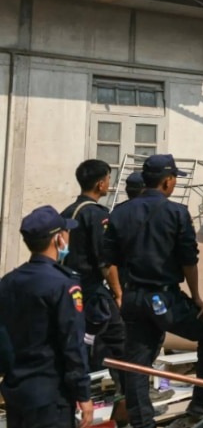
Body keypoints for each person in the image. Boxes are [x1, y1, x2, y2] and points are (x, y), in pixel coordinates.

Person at [103, 154, 203, 428]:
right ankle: (202, 405)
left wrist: (119, 293)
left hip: (133, 298)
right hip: (163, 297)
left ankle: (142, 422)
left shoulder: (119, 213)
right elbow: (189, 260)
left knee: (137, 363)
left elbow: (107, 261)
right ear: (167, 181)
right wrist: (196, 297)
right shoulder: (176, 213)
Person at [0, 206, 94, 428]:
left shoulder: (8, 281)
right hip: (50, 395)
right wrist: (83, 393)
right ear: (58, 238)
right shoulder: (63, 284)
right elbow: (72, 344)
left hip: (17, 390)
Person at [61, 160, 126, 416]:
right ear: (100, 183)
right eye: (108, 178)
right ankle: (125, 397)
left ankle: (78, 392)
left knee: (79, 340)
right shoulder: (96, 214)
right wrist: (118, 293)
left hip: (68, 287)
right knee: (120, 338)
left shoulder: (68, 211)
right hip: (91, 289)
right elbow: (105, 260)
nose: (110, 183)